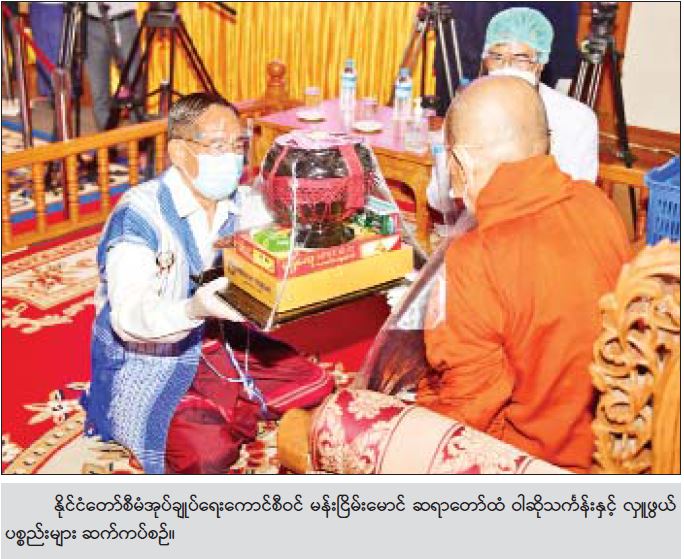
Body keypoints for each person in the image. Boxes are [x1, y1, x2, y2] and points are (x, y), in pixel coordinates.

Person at [83, 93, 334, 474]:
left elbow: (289, 238)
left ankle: (221, 404)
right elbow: (128, 317)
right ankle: (200, 410)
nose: (232, 158)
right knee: (207, 456)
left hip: (217, 339)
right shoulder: (139, 214)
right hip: (148, 355)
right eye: (218, 146)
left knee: (315, 383)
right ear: (179, 152)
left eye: (238, 146)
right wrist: (191, 309)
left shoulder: (241, 202)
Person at [417, 76, 631, 472]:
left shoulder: (474, 259)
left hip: (536, 466)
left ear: (460, 162)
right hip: (617, 448)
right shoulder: (597, 203)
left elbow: (466, 413)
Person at [428, 7, 598, 212]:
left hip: (546, 223)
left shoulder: (575, 118)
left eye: (521, 58)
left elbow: (578, 202)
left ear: (540, 63)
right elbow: (438, 199)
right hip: (476, 219)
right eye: (497, 56)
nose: (506, 67)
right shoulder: (469, 107)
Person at [85, 2, 140, 130]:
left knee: (134, 86)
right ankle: (107, 138)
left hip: (123, 21)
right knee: (98, 92)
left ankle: (141, 136)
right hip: (91, 23)